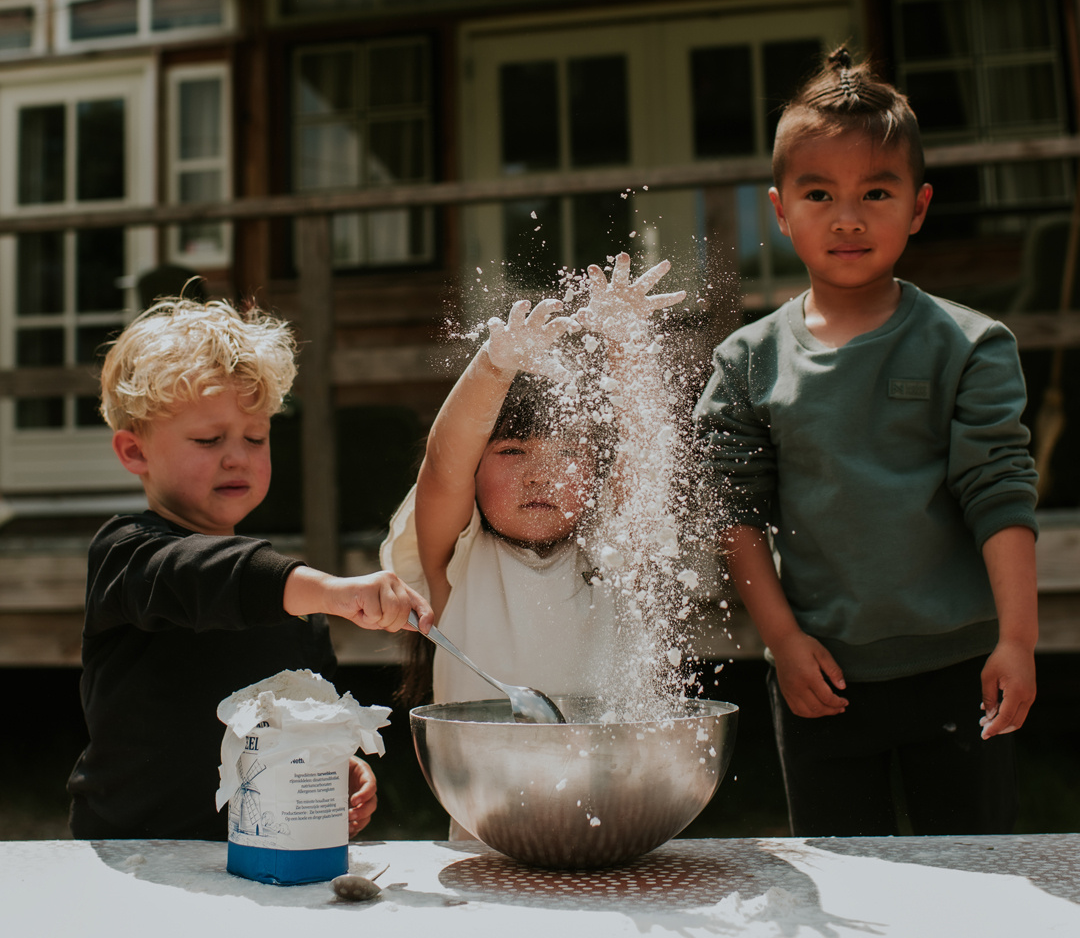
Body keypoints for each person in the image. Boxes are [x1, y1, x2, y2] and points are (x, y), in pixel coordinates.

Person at [694, 48, 1040, 837]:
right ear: (780, 211)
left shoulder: (970, 345)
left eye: (875, 193)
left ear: (917, 207)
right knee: (848, 882)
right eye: (820, 194)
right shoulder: (747, 362)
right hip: (822, 672)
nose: (848, 217)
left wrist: (1017, 639)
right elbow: (732, 512)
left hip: (959, 667)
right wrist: (781, 640)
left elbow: (1001, 493)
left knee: (978, 880)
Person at [67, 297, 433, 841]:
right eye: (208, 440)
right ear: (134, 452)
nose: (236, 456)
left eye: (255, 437)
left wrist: (335, 764)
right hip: (137, 852)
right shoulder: (128, 553)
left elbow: (309, 715)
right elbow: (205, 575)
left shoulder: (287, 594)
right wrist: (326, 590)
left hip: (262, 856)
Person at [382, 252, 685, 707]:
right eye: (512, 451)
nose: (540, 475)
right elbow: (444, 465)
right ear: (475, 473)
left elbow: (648, 455)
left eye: (567, 452)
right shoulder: (457, 561)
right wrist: (494, 366)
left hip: (606, 772)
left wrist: (625, 342)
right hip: (483, 774)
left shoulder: (611, 545)